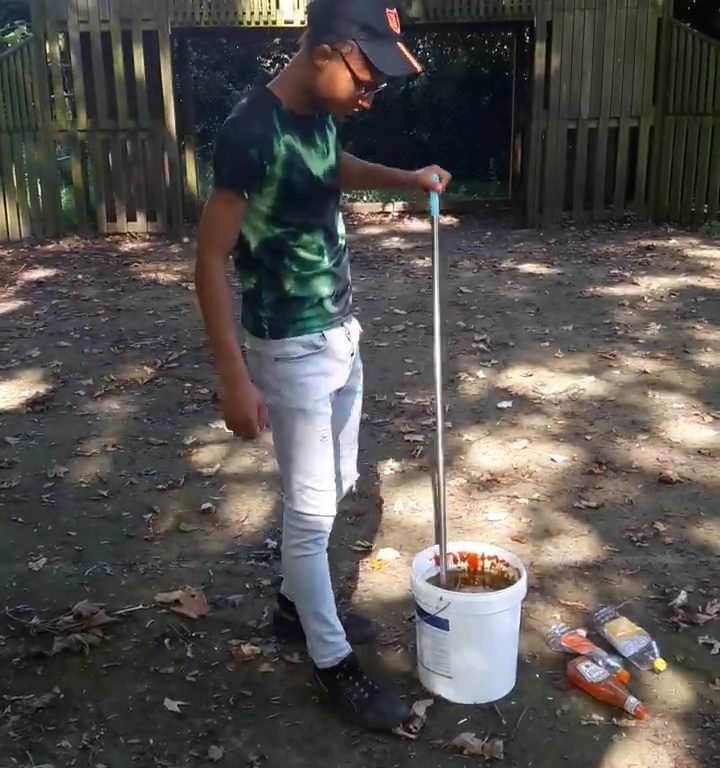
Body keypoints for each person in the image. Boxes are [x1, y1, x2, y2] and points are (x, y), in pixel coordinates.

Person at [194, 0, 451, 732]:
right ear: (328, 51)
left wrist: (408, 178)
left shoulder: (316, 114)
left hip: (341, 331)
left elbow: (327, 168)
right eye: (367, 78)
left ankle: (288, 607)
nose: (371, 96)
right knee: (311, 517)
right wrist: (233, 375)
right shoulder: (249, 130)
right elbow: (209, 256)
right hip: (289, 345)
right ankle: (333, 662)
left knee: (338, 484)